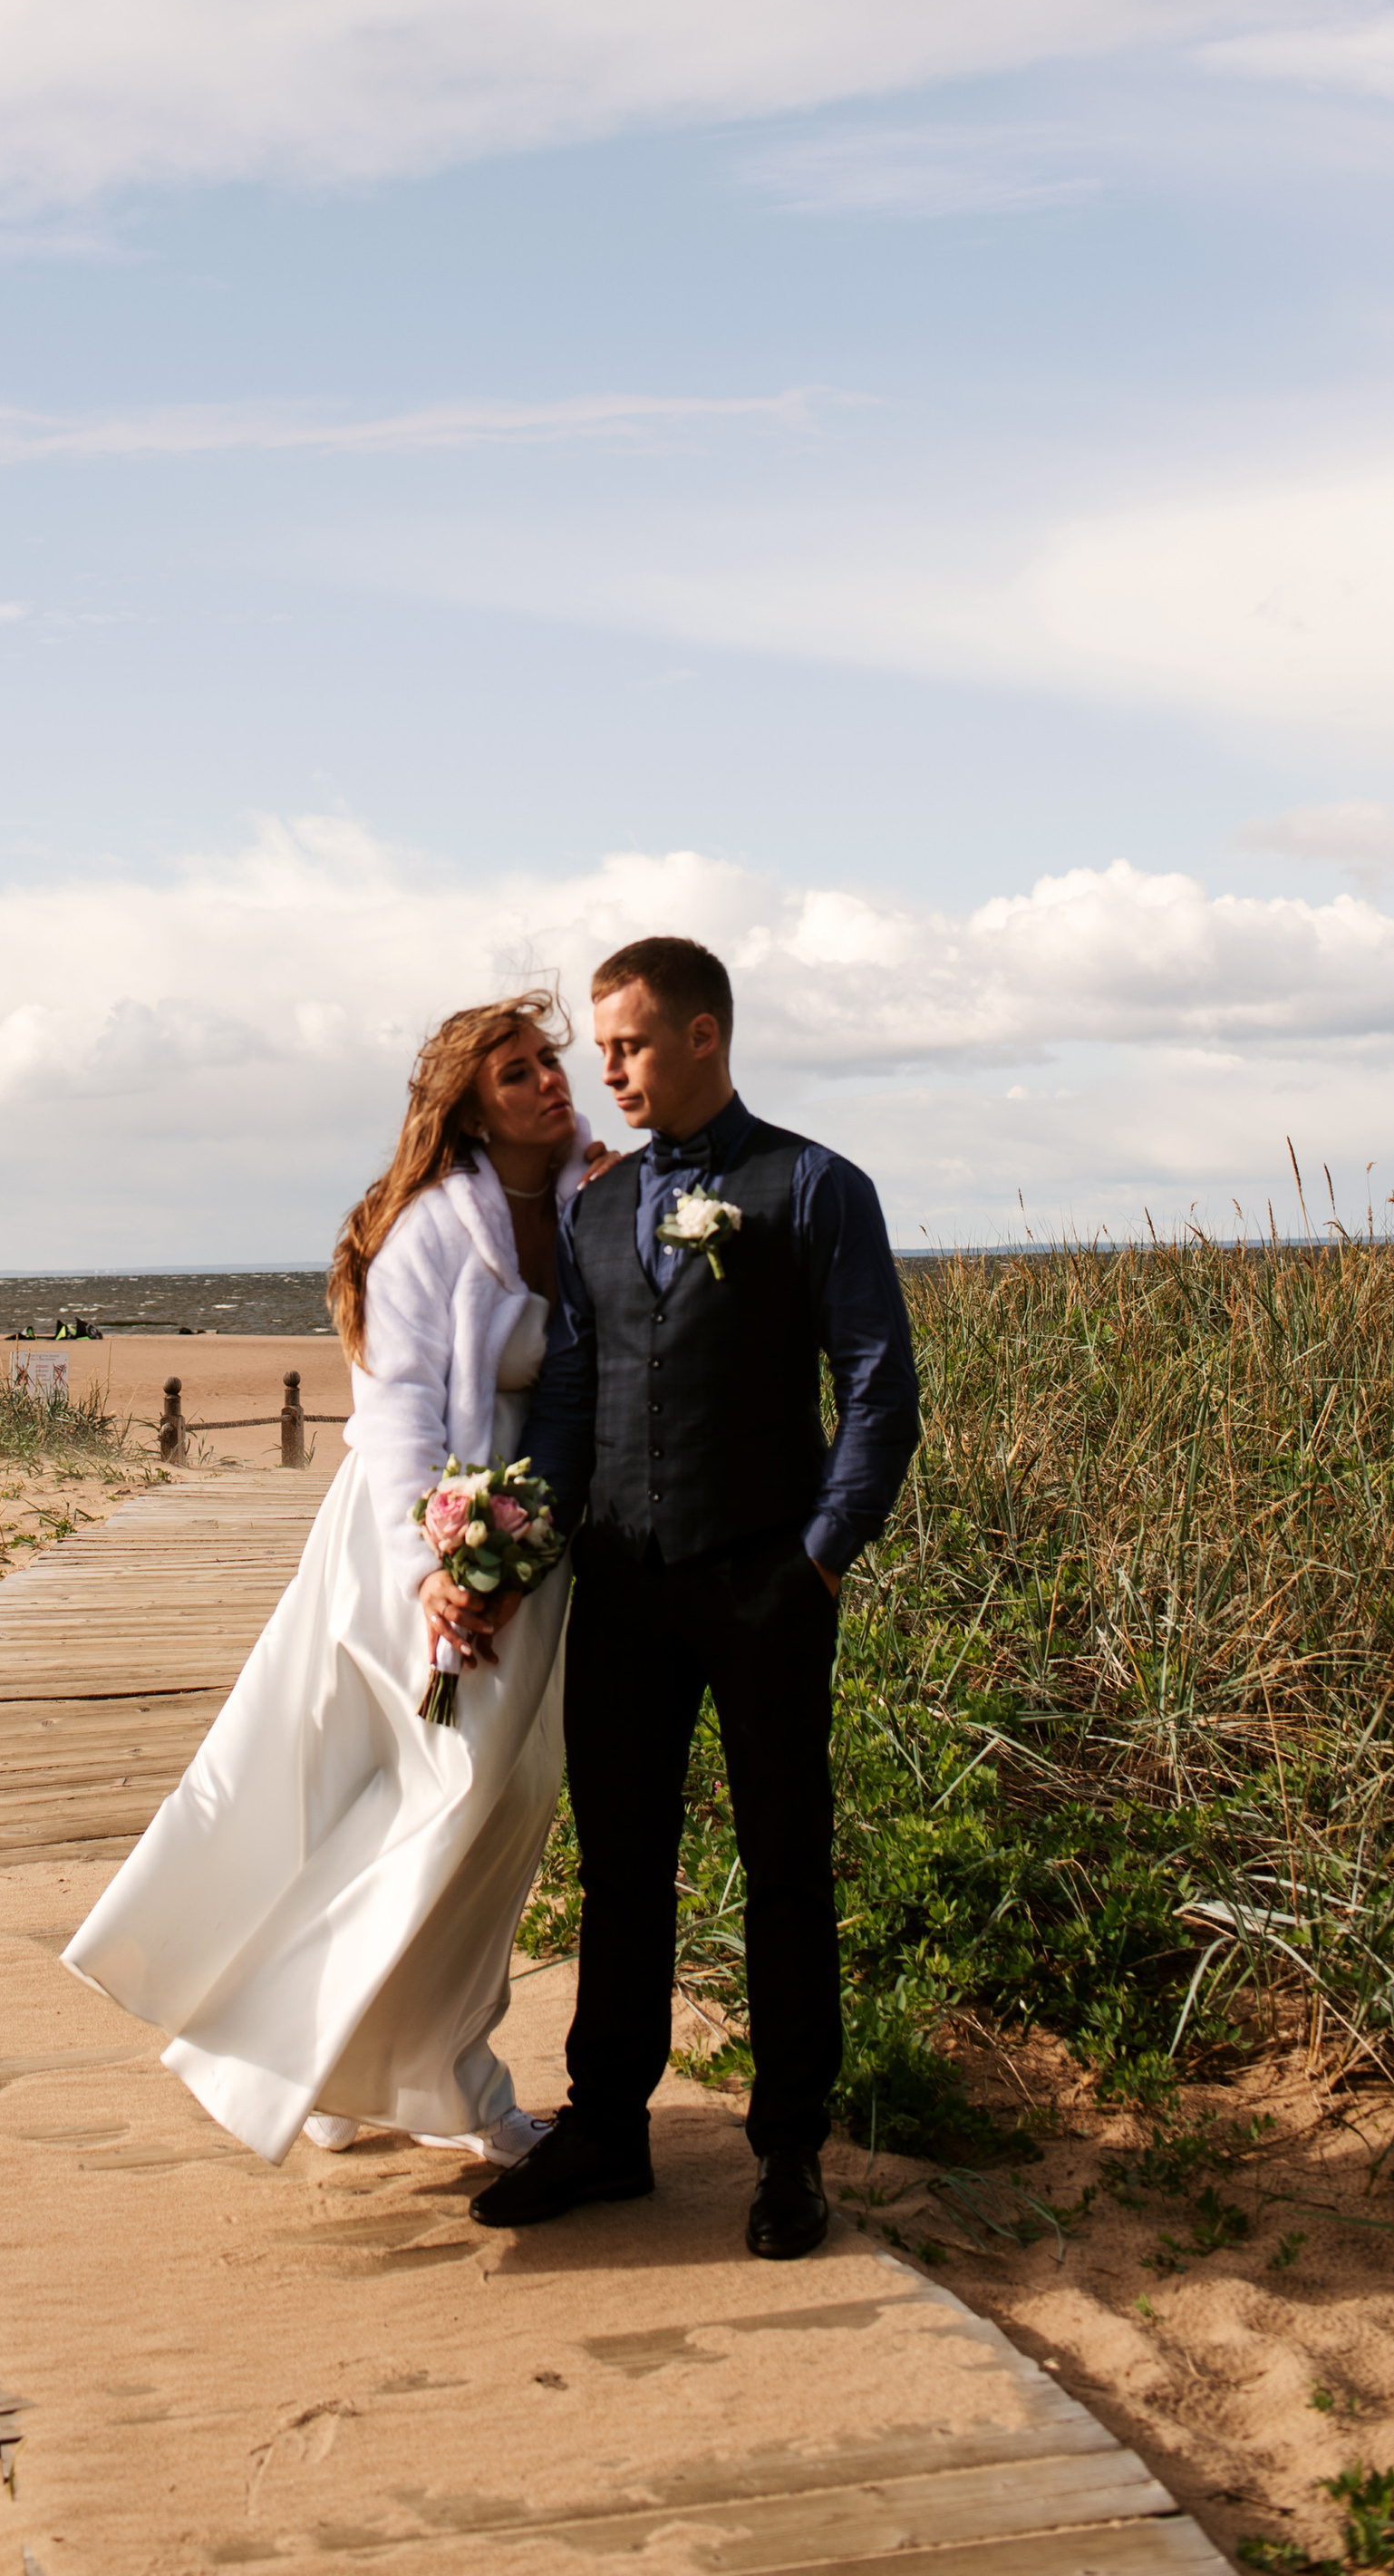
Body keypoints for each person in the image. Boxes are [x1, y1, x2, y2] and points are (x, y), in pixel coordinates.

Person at [63, 992, 606, 2167]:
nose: (547, 1084)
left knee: (494, 1812)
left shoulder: (578, 1208)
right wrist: (435, 1569)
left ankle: (337, 2052)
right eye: (516, 1073)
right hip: (411, 1543)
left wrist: (525, 1545)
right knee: (448, 1796)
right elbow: (401, 1411)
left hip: (531, 1542)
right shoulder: (426, 1231)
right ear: (468, 1105)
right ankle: (438, 2081)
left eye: (549, 1064)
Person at [475, 934, 922, 2260]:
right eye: (599, 1049)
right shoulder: (596, 1211)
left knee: (784, 1866)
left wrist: (822, 1557)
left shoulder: (815, 1186)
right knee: (621, 1868)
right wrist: (512, 1546)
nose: (603, 1070)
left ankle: (790, 2151)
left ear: (704, 1037)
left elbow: (878, 1388)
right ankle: (607, 2129)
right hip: (621, 1586)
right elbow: (568, 1399)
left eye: (626, 1044)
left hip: (766, 1582)